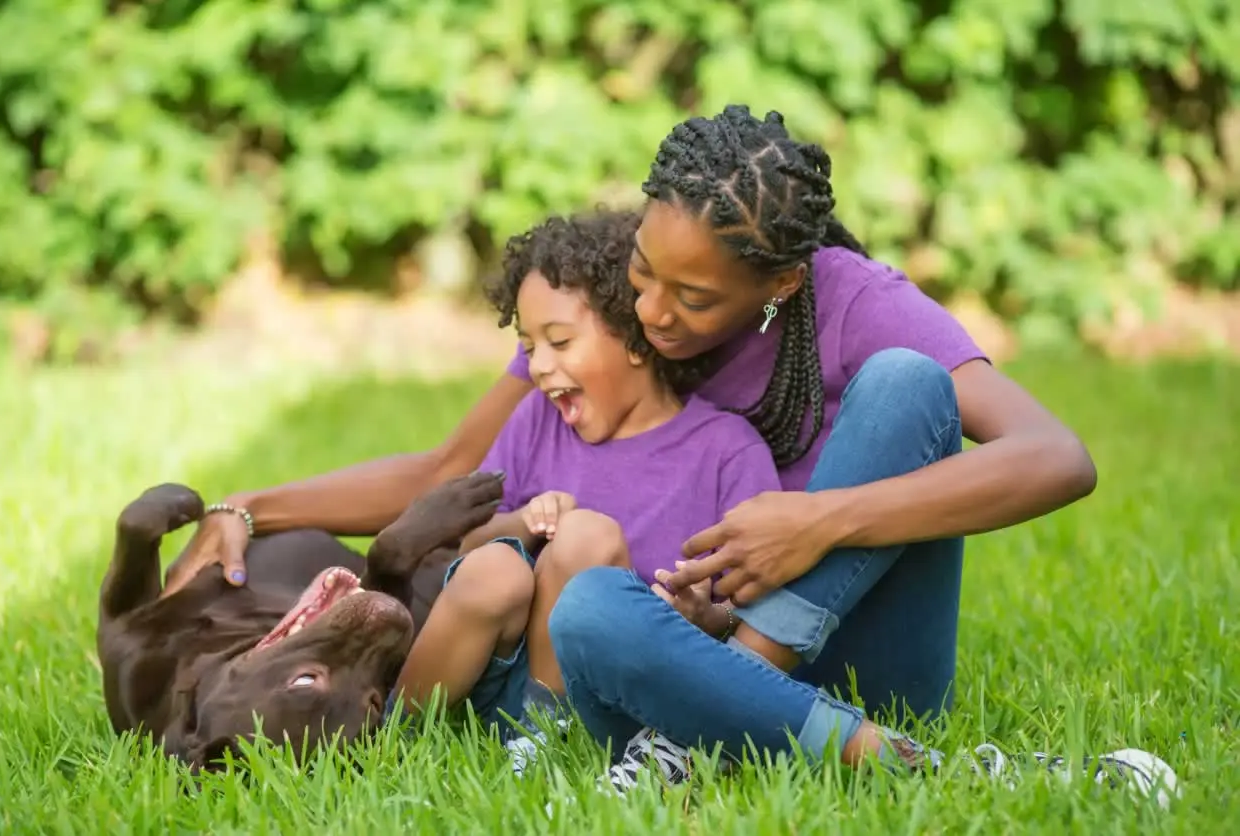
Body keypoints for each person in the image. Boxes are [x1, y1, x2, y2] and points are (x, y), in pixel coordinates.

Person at [161, 105, 1177, 805]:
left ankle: (730, 712)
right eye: (645, 272)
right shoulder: (605, 312)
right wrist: (250, 504)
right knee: (596, 605)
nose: (651, 312)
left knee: (909, 385)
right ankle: (759, 726)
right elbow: (448, 469)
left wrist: (819, 518)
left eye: (692, 300)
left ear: (778, 284)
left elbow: (1059, 456)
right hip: (677, 640)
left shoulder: (853, 300)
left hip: (859, 648)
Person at [364, 210, 785, 777]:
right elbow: (465, 547)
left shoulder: (726, 451)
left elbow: (755, 608)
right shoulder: (537, 420)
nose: (538, 367)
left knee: (589, 533)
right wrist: (524, 524)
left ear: (637, 339)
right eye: (527, 346)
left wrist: (707, 618)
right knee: (496, 569)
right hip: (499, 677)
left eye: (558, 341)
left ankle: (546, 741)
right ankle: (389, 740)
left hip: (617, 689)